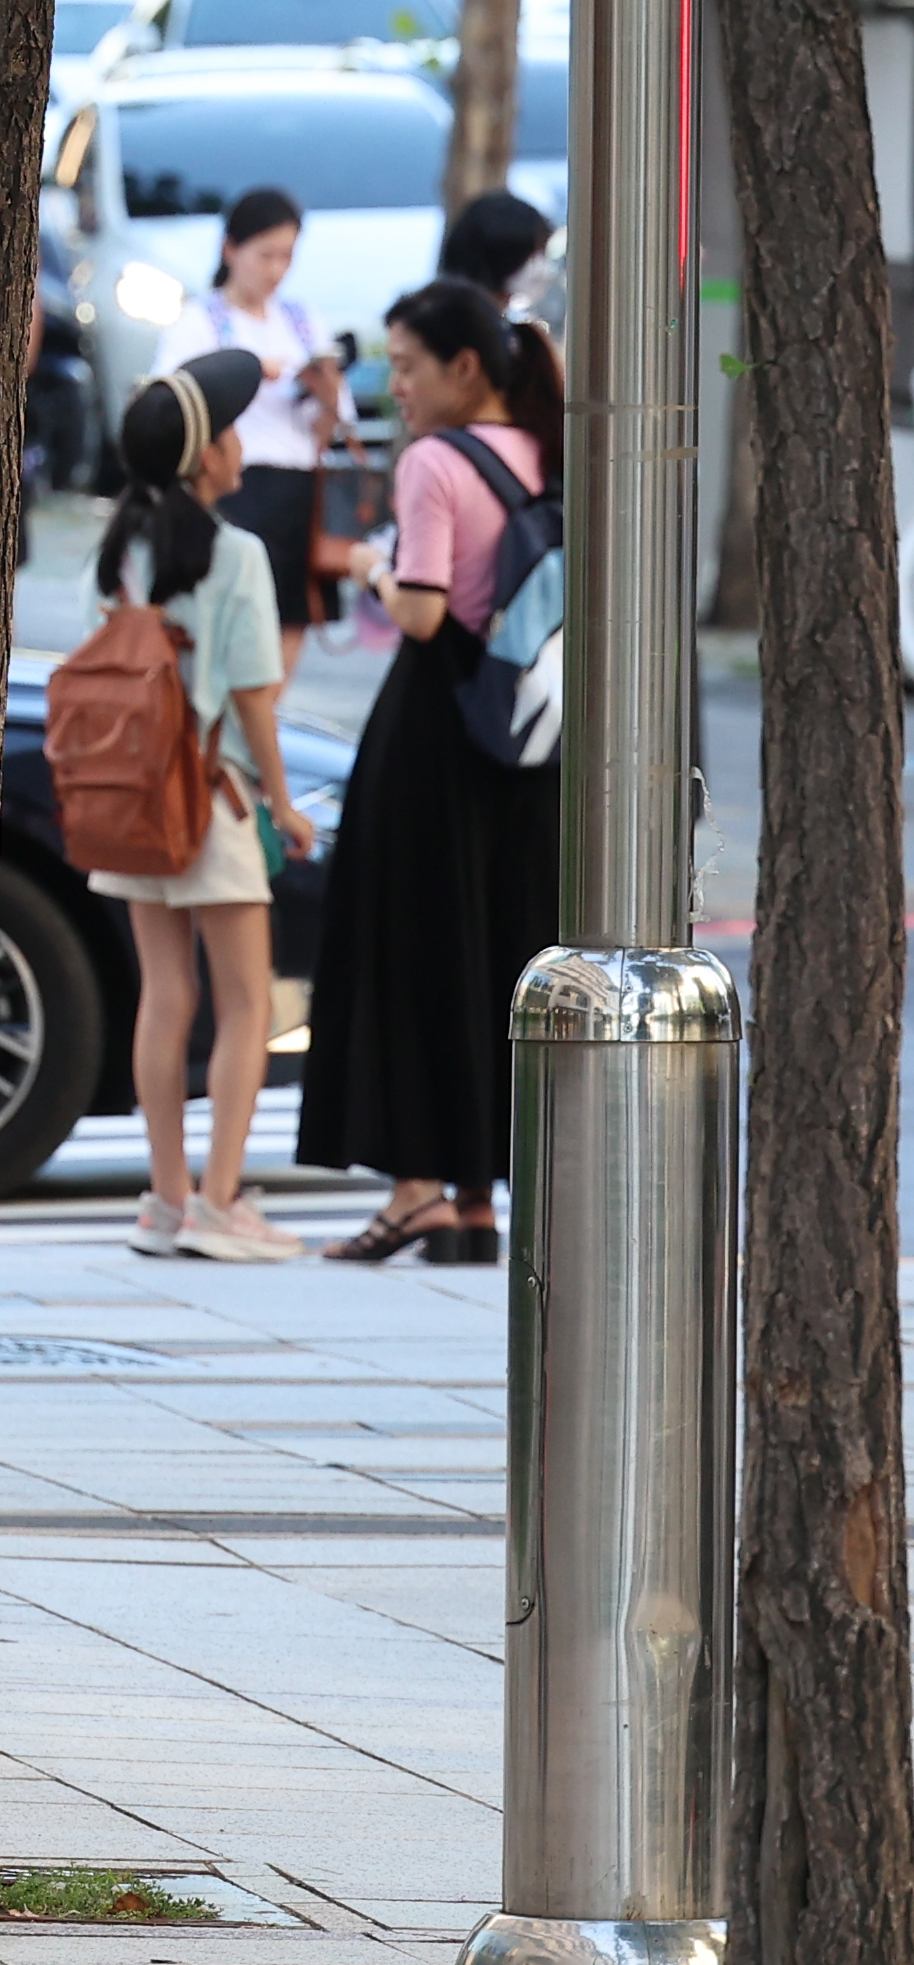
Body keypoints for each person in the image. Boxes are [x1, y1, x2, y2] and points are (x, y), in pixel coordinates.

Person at [297, 280, 564, 1264]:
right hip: (524, 734)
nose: (394, 384)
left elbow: (418, 608)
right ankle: (474, 1195)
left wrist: (369, 563)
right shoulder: (548, 447)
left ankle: (418, 1190)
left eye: (406, 365)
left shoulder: (436, 462)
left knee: (407, 943)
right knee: (497, 951)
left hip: (432, 729)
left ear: (463, 367)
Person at [87, 352, 316, 1264]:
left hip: (134, 799)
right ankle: (223, 1201)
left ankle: (166, 1199)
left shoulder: (119, 553)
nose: (237, 446)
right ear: (204, 457)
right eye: (226, 433)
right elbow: (255, 700)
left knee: (164, 995)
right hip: (214, 802)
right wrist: (286, 805)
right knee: (245, 1001)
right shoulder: (237, 555)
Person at [155, 187, 350, 682]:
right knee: (231, 614)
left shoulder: (304, 322)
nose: (276, 270)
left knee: (291, 613)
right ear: (230, 250)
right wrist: (243, 372)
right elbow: (172, 403)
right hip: (233, 485)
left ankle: (267, 719)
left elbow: (331, 426)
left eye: (286, 256)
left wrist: (325, 390)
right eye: (265, 255)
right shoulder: (200, 321)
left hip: (298, 484)